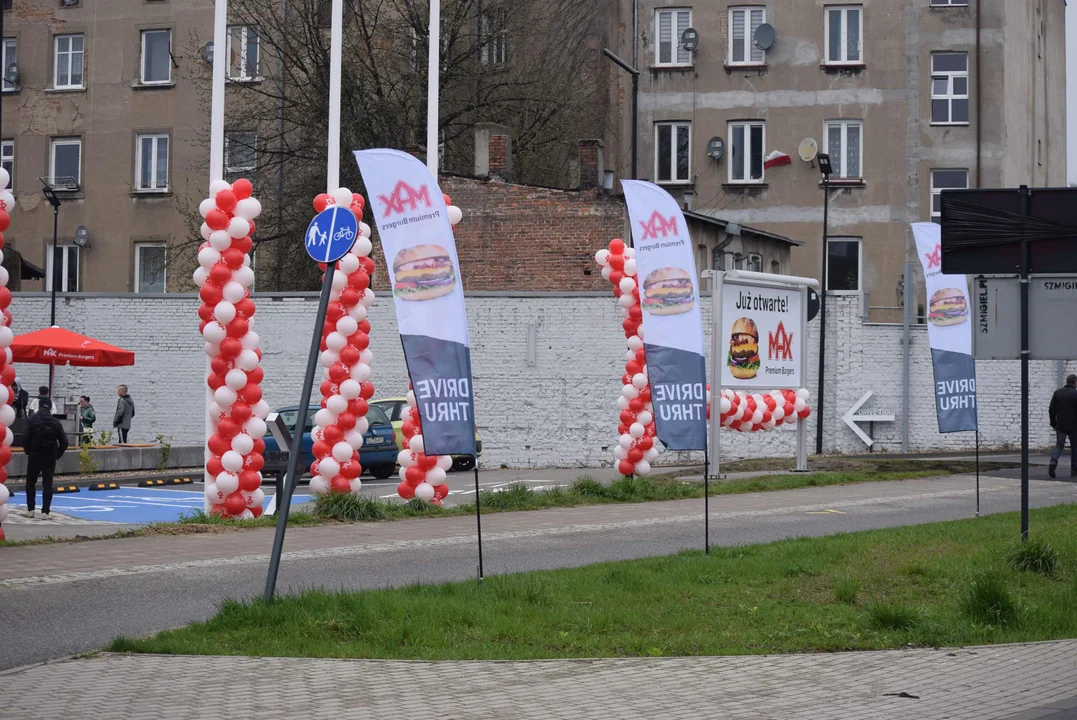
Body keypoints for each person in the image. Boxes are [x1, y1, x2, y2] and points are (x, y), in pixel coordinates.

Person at [20, 398, 69, 520]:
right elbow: (64, 442)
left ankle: (30, 509)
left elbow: (25, 437)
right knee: (47, 483)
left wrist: (27, 450)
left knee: (31, 482)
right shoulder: (55, 422)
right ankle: (45, 512)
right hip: (50, 456)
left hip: (35, 454)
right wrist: (57, 454)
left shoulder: (32, 419)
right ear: (50, 407)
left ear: (39, 406)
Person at [1048, 374, 1077, 478]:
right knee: (1075, 447)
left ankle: (1053, 462)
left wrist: (1053, 423)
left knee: (1059, 445)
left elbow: (1051, 409)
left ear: (1067, 381)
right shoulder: (1076, 394)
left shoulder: (1057, 393)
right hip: (1074, 426)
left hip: (1061, 425)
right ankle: (1074, 470)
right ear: (1075, 382)